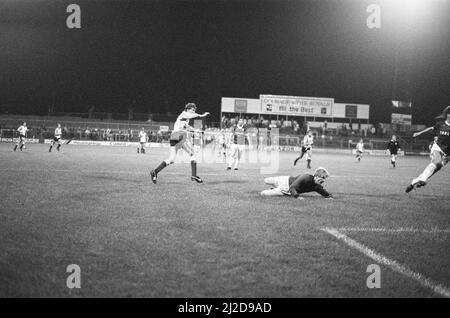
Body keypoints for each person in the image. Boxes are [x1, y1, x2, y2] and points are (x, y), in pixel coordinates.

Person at [150, 103, 209, 184]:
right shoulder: (184, 114)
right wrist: (202, 115)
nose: (193, 111)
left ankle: (155, 172)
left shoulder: (185, 119)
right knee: (189, 147)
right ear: (187, 109)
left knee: (172, 159)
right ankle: (194, 175)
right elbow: (192, 117)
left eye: (194, 110)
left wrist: (197, 130)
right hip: (178, 135)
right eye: (192, 109)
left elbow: (187, 127)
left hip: (176, 137)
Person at [406, 105, 450, 193]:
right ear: (448, 115)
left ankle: (414, 181)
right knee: (436, 162)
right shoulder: (441, 124)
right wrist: (419, 133)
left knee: (433, 170)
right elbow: (430, 129)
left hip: (447, 154)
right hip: (437, 147)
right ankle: (423, 180)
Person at [260, 167, 333, 199]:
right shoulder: (306, 177)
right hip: (284, 180)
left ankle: (273, 189)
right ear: (317, 176)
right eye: (323, 178)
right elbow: (293, 187)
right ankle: (273, 188)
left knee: (263, 193)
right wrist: (297, 196)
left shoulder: (317, 186)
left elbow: (325, 194)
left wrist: (329, 196)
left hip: (285, 189)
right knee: (266, 180)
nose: (323, 181)